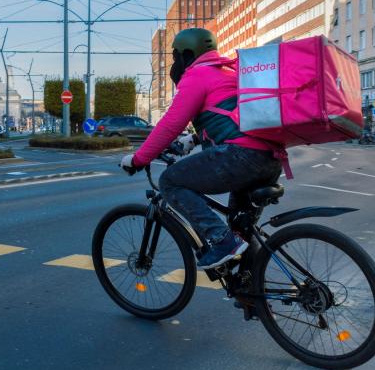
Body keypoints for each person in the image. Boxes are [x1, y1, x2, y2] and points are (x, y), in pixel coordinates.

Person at [120, 28, 283, 269]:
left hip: (241, 157)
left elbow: (171, 124)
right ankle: (253, 296)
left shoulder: (198, 75)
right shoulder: (228, 72)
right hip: (269, 159)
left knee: (170, 182)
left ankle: (221, 241)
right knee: (243, 231)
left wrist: (139, 159)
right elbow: (229, 116)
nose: (175, 62)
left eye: (176, 56)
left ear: (187, 54)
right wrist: (195, 139)